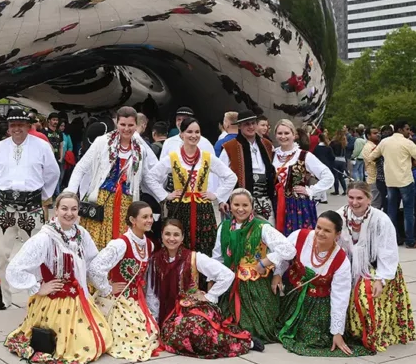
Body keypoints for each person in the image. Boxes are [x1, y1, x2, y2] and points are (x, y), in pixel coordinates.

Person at [3, 191, 112, 364]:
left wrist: (104, 287)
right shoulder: (45, 238)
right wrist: (38, 287)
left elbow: (92, 263)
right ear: (56, 211)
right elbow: (15, 268)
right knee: (73, 345)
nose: (69, 213)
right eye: (64, 209)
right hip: (55, 301)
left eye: (74, 209)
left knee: (97, 338)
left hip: (79, 298)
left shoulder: (81, 233)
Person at [0, 108, 60, 310]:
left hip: (31, 208)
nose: (16, 129)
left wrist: (42, 196)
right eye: (13, 125)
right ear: (8, 128)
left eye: (21, 125)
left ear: (28, 126)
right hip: (3, 208)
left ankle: (36, 296)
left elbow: (53, 173)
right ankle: (4, 297)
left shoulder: (41, 146)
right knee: (0, 256)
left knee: (37, 256)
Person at [148, 218, 258, 357]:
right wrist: (155, 321)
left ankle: (245, 342)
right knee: (179, 333)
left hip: (194, 307)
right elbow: (151, 294)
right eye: (167, 234)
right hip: (168, 312)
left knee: (195, 328)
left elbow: (227, 275)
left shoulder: (194, 257)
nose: (171, 238)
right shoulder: (154, 260)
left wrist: (209, 296)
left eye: (176, 235)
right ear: (162, 236)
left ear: (182, 237)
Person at [275, 211, 369, 357]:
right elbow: (283, 255)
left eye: (327, 230)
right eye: (318, 227)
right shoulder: (300, 236)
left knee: (313, 340)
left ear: (337, 234)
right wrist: (277, 274)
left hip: (317, 306)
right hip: (293, 296)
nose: (320, 233)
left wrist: (337, 332)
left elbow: (340, 297)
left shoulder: (340, 260)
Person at [337, 182, 415, 353]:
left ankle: (369, 334)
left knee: (366, 295)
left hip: (377, 267)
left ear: (369, 199)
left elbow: (388, 251)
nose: (354, 202)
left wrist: (381, 279)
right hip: (346, 267)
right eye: (351, 197)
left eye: (359, 198)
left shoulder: (381, 219)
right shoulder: (339, 216)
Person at [66, 106, 158, 248]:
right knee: (96, 246)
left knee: (122, 246)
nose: (126, 129)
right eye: (123, 124)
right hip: (102, 202)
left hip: (126, 204)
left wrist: (164, 197)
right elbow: (80, 167)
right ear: (116, 123)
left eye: (130, 125)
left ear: (136, 125)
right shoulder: (102, 142)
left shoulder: (140, 148)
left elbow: (147, 177)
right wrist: (70, 194)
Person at [214, 189, 294, 343]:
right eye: (236, 204)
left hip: (257, 284)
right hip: (231, 282)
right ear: (230, 206)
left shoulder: (262, 227)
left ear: (252, 206)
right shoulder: (224, 227)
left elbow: (288, 249)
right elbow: (217, 257)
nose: (240, 209)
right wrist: (213, 283)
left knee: (256, 327)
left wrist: (267, 261)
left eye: (245, 205)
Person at [146, 118, 235, 257]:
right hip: (180, 209)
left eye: (197, 132)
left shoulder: (207, 157)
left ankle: (202, 277)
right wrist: (165, 195)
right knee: (179, 245)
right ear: (181, 134)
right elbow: (150, 177)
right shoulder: (173, 157)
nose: (194, 135)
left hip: (203, 210)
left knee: (204, 247)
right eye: (189, 132)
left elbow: (230, 177)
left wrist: (216, 195)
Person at [88, 201, 160, 361]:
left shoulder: (149, 245)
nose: (149, 220)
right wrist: (107, 288)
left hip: (136, 300)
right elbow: (94, 268)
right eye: (145, 217)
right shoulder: (120, 244)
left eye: (150, 216)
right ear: (133, 220)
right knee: (133, 338)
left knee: (150, 333)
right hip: (119, 300)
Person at [364, 120, 416, 249]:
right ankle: (410, 240)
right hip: (405, 180)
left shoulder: (384, 142)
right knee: (408, 211)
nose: (409, 132)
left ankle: (392, 238)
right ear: (400, 129)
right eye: (406, 129)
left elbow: (371, 157)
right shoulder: (407, 143)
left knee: (392, 210)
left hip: (390, 181)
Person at [270, 120, 334, 235]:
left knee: (299, 242)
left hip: (297, 207)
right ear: (275, 135)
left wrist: (310, 190)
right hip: (275, 205)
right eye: (280, 133)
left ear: (294, 135)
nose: (283, 136)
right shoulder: (271, 155)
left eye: (286, 133)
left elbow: (328, 176)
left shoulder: (304, 155)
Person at [220, 111, 276, 220]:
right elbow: (221, 175)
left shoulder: (267, 145)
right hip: (241, 201)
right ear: (239, 126)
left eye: (253, 123)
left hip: (265, 199)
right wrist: (222, 199)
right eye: (247, 124)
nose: (251, 127)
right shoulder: (230, 147)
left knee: (266, 232)